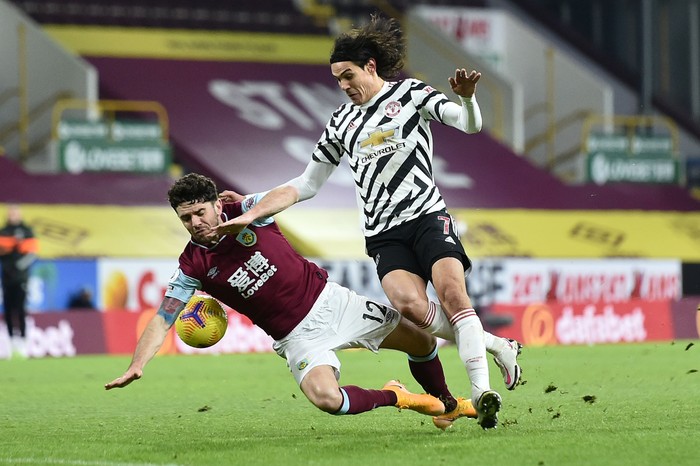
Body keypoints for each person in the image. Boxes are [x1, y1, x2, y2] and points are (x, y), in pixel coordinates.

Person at [215, 14, 522, 429]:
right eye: (337, 79)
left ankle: (482, 391)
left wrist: (467, 98)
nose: (343, 85)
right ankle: (497, 345)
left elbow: (470, 124)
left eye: (347, 75)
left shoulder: (412, 94)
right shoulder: (341, 122)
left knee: (452, 293)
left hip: (427, 216)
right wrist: (252, 208)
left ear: (371, 67)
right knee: (409, 305)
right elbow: (306, 184)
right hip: (384, 234)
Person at [106, 173, 480, 426]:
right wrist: (138, 364)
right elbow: (163, 318)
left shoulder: (248, 212)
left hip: (333, 303)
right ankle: (398, 396)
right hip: (297, 337)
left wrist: (251, 213)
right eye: (185, 219)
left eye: (200, 212)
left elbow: (286, 193)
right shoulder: (191, 264)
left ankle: (445, 403)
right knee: (327, 400)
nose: (195, 224)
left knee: (423, 340)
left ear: (217, 205)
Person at [0, 204, 39, 357]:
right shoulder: (3, 231)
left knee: (21, 309)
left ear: (19, 214)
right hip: (6, 277)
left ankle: (23, 341)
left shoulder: (27, 231)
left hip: (21, 277)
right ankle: (10, 342)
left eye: (15, 212)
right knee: (8, 309)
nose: (13, 215)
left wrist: (18, 265)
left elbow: (32, 254)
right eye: (11, 213)